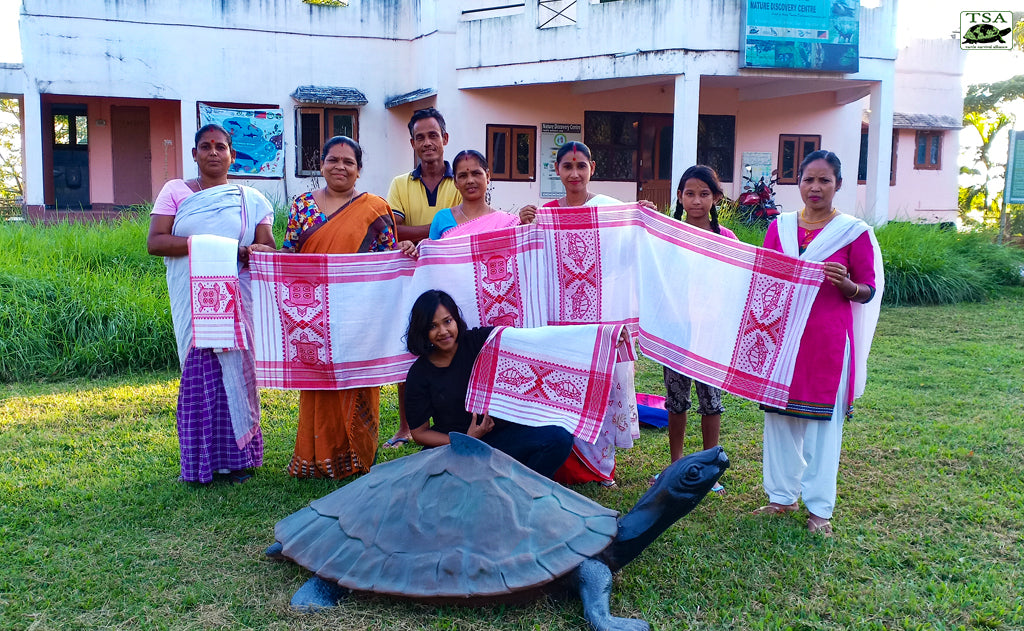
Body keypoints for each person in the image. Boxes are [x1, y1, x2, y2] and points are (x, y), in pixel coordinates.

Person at [250, 136, 414, 479]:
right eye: (333, 160)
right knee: (317, 381)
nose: (340, 166)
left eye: (348, 162)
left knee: (359, 380)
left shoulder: (375, 208)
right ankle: (317, 458)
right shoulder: (303, 206)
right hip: (314, 314)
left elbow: (387, 264)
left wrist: (406, 251)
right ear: (321, 165)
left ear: (358, 170)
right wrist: (271, 258)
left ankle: (357, 457)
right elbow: (290, 257)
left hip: (360, 315)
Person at [754, 150, 882, 537]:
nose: (815, 187)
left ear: (838, 185)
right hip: (784, 339)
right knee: (778, 419)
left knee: (825, 427)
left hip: (828, 340)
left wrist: (846, 285)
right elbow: (765, 277)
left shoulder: (853, 231)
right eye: (809, 179)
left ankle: (819, 509)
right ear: (798, 183)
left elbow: (869, 289)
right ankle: (781, 497)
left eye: (824, 180)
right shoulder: (780, 227)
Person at [146, 123, 275, 484]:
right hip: (195, 299)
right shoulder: (176, 191)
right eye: (206, 147)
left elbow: (267, 246)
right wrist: (226, 249)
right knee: (199, 375)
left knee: (237, 377)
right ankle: (199, 464)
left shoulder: (251, 200)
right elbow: (156, 242)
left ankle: (237, 462)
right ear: (195, 154)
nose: (214, 153)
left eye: (221, 147)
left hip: (237, 301)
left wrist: (253, 251)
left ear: (233, 155)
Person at [518, 140, 644, 487]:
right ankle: (568, 466)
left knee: (603, 390)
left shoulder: (609, 210)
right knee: (567, 391)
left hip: (602, 317)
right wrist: (524, 225)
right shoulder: (546, 213)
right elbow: (533, 262)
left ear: (592, 168)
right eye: (567, 166)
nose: (574, 173)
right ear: (556, 170)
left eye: (581, 166)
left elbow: (625, 251)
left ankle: (603, 468)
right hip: (562, 322)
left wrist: (639, 216)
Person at [402, 290, 574, 479]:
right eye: (433, 326)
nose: (443, 331)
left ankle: (520, 489)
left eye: (447, 321)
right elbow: (419, 433)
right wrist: (465, 440)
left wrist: (601, 337)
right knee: (432, 481)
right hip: (457, 447)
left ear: (456, 319)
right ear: (422, 331)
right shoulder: (419, 374)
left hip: (502, 437)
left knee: (559, 438)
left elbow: (532, 342)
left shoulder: (480, 341)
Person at [384, 108, 463, 448]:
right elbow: (392, 228)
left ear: (445, 139)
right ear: (412, 142)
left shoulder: (460, 178)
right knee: (410, 343)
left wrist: (424, 235)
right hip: (409, 276)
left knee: (453, 342)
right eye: (420, 137)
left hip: (453, 275)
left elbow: (467, 224)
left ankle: (457, 418)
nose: (427, 143)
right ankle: (406, 426)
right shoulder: (400, 184)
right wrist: (439, 229)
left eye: (433, 136)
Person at [657, 165, 737, 494]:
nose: (696, 200)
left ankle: (708, 469)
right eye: (689, 193)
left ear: (716, 198)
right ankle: (676, 463)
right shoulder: (667, 235)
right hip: (677, 331)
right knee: (676, 399)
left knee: (711, 400)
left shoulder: (726, 239)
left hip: (711, 334)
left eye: (704, 194)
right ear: (679, 196)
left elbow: (735, 284)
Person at [428, 149, 519, 239]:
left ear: (487, 176)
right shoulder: (442, 219)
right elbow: (431, 253)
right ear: (455, 182)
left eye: (476, 173)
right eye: (463, 176)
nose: (470, 181)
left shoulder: (505, 222)